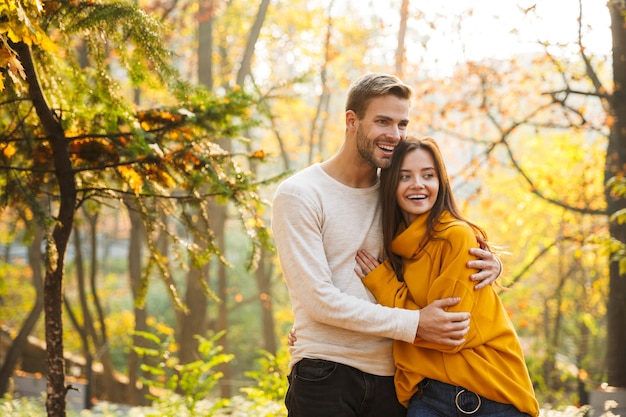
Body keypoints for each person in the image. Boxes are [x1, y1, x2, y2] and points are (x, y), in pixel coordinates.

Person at [271, 73, 502, 417]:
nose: (394, 135)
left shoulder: (399, 194)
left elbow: (445, 244)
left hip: (395, 379)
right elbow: (318, 300)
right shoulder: (301, 194)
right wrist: (414, 323)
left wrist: (493, 264)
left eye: (402, 124)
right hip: (326, 371)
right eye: (383, 121)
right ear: (352, 121)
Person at [354, 136, 539, 416]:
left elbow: (450, 332)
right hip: (428, 395)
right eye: (405, 176)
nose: (418, 184)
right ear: (391, 184)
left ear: (440, 182)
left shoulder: (457, 236)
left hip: (489, 394)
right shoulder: (396, 248)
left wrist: (386, 286)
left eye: (428, 175)